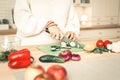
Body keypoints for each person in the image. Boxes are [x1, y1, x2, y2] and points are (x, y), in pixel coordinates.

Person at [14, 0, 80, 46]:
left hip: (59, 47)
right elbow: (21, 17)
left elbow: (71, 19)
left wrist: (70, 31)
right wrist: (48, 24)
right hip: (31, 47)